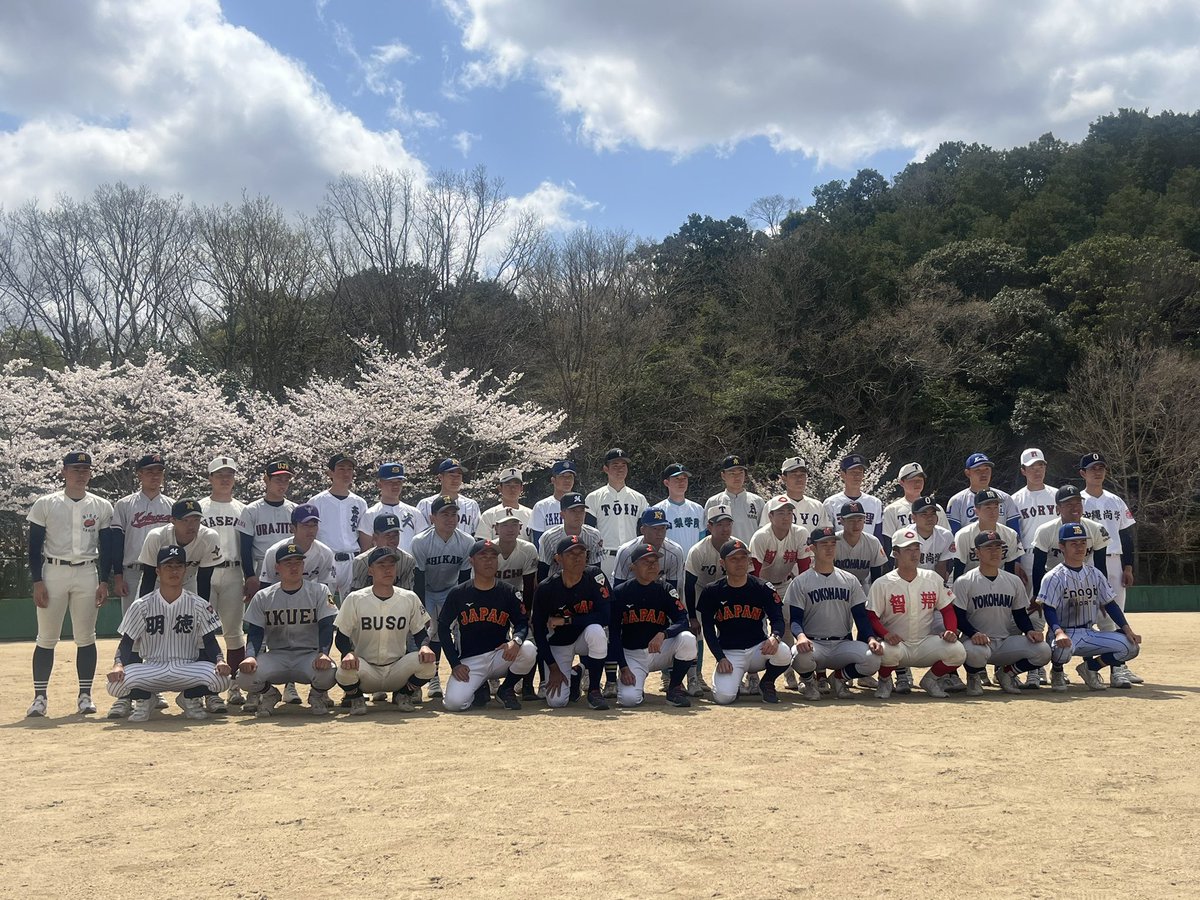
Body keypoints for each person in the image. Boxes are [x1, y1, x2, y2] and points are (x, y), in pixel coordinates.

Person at [25, 451, 116, 718]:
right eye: (75, 469)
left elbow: (107, 547)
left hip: (87, 572)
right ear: (64, 472)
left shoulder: (101, 506)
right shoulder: (45, 503)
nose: (80, 474)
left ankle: (85, 695)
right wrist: (37, 581)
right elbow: (33, 547)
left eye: (85, 469)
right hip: (53, 570)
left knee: (86, 636)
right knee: (47, 637)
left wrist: (104, 581)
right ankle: (39, 697)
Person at [105, 545, 231, 722]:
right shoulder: (141, 605)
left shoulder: (199, 604)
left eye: (178, 566)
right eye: (168, 566)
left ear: (185, 569)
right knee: (114, 685)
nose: (174, 570)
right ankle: (147, 699)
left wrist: (220, 660)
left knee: (222, 680)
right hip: (152, 668)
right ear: (158, 571)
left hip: (186, 667)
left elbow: (210, 641)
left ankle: (188, 697)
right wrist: (118, 664)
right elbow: (127, 642)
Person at [106, 452, 174, 718]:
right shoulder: (124, 505)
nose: (154, 475)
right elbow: (115, 543)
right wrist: (118, 576)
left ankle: (152, 688)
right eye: (149, 471)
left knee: (160, 632)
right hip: (133, 572)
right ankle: (126, 693)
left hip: (164, 575)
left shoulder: (171, 505)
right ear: (139, 475)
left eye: (158, 471)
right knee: (132, 633)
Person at [237, 542, 339, 716]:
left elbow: (326, 627)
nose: (294, 567)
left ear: (303, 565)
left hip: (309, 655)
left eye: (298, 562)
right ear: (277, 567)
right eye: (288, 563)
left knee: (329, 672)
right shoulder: (264, 596)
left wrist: (323, 653)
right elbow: (255, 632)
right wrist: (250, 657)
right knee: (244, 677)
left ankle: (316, 695)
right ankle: (270, 694)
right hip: (277, 655)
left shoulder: (320, 591)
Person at [1039, 523, 1142, 692]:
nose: (1079, 547)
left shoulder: (1095, 573)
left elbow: (1110, 604)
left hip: (1089, 632)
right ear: (1061, 546)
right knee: (1062, 649)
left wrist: (1127, 629)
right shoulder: (1053, 576)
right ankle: (1057, 671)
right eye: (1074, 543)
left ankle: (1091, 667)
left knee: (1130, 647)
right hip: (1064, 632)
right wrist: (1057, 632)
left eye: (1082, 543)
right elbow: (1048, 608)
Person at [866, 528, 966, 699]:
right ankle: (884, 680)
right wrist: (885, 634)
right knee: (886, 652)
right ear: (895, 554)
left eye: (916, 549)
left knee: (957, 651)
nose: (914, 555)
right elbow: (872, 616)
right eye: (907, 550)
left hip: (924, 643)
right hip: (898, 644)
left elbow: (947, 609)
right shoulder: (883, 583)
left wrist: (951, 629)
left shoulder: (932, 577)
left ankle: (930, 680)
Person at [334, 547, 436, 714]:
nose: (388, 569)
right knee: (343, 672)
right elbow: (341, 636)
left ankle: (404, 694)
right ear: (370, 570)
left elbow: (420, 632)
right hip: (366, 670)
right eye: (381, 565)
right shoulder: (355, 599)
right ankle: (356, 697)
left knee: (428, 665)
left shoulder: (409, 597)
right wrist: (348, 652)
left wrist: (424, 646)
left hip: (397, 669)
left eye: (391, 565)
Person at [438, 539, 538, 711]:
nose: (489, 560)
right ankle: (479, 686)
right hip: (470, 662)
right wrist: (455, 664)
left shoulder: (509, 592)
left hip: (500, 655)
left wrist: (516, 641)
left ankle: (506, 689)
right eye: (483, 556)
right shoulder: (459, 593)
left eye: (493, 556)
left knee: (528, 649)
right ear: (471, 561)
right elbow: (443, 628)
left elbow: (522, 623)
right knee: (454, 704)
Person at [785, 526, 884, 700]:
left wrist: (870, 638)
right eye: (824, 544)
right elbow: (795, 620)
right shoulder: (801, 582)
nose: (829, 548)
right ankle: (809, 682)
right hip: (815, 645)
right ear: (812, 548)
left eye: (832, 543)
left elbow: (861, 616)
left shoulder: (849, 580)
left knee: (873, 659)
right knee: (799, 655)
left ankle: (838, 678)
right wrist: (800, 636)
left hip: (842, 644)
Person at [952, 532, 1052, 695]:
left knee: (1043, 650)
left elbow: (1020, 614)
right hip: (975, 642)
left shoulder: (1013, 580)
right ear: (977, 552)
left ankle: (1007, 673)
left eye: (998, 547)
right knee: (975, 652)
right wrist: (973, 633)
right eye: (988, 548)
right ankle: (974, 676)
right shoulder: (965, 581)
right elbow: (959, 618)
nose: (994, 551)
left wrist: (1029, 630)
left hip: (1004, 641)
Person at [697, 539, 791, 704]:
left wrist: (774, 637)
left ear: (749, 561)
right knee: (724, 698)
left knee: (783, 652)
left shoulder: (763, 587)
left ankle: (767, 682)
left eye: (743, 558)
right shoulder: (712, 591)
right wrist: (720, 658)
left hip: (758, 650)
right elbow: (708, 630)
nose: (739, 563)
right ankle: (734, 683)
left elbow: (777, 619)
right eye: (733, 559)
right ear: (722, 563)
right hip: (730, 653)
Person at [609, 544, 697, 708]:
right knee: (629, 700)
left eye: (655, 562)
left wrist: (664, 634)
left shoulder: (665, 589)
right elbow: (613, 633)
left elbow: (682, 620)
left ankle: (674, 688)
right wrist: (623, 667)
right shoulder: (621, 592)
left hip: (660, 650)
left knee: (688, 639)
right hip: (632, 655)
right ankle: (636, 686)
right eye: (646, 562)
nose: (652, 566)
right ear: (633, 567)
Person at [531, 535, 613, 710]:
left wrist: (567, 620)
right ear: (558, 559)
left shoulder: (596, 577)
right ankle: (576, 674)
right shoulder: (546, 588)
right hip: (559, 643)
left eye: (581, 553)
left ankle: (593, 690)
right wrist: (553, 668)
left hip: (585, 638)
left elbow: (606, 616)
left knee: (597, 632)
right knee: (557, 702)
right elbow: (538, 631)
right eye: (570, 554)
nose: (577, 558)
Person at [1079, 452, 1140, 684]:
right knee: (1093, 616)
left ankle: (1118, 666)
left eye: (1101, 467)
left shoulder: (1115, 500)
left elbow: (1126, 535)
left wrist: (1128, 567)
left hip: (1115, 560)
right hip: (1089, 561)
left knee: (1116, 616)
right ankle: (1101, 665)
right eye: (1093, 468)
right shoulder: (1079, 501)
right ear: (1083, 473)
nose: (1098, 471)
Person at [409, 495, 474, 699]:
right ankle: (429, 678)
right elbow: (418, 579)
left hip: (450, 590)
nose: (450, 518)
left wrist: (461, 606)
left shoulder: (466, 541)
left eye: (454, 514)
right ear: (432, 517)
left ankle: (465, 675)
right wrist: (423, 612)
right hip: (426, 590)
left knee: (461, 629)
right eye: (444, 514)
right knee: (428, 631)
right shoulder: (420, 541)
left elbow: (464, 579)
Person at [200, 455, 249, 708]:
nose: (225, 479)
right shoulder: (200, 507)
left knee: (234, 632)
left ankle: (235, 686)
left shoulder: (243, 509)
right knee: (203, 631)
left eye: (229, 474)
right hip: (204, 572)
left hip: (232, 571)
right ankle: (209, 687)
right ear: (210, 478)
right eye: (219, 475)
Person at [748, 495, 812, 689]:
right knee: (756, 626)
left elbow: (804, 568)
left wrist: (804, 595)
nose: (786, 516)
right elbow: (755, 573)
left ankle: (789, 671)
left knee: (786, 625)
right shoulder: (761, 536)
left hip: (785, 584)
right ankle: (752, 675)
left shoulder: (800, 533)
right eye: (781, 513)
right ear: (770, 516)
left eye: (789, 512)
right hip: (761, 585)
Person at [237, 459, 298, 602]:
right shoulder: (251, 510)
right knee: (263, 612)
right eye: (278, 479)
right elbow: (245, 548)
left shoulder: (294, 509)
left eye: (286, 480)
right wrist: (250, 576)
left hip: (290, 565)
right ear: (266, 480)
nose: (282, 484)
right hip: (263, 566)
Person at [136, 499, 222, 601]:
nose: (191, 525)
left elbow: (204, 578)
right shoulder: (157, 537)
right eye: (185, 520)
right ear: (173, 521)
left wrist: (203, 609)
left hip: (188, 581)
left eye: (196, 520)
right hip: (158, 582)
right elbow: (149, 577)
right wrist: (144, 607)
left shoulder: (209, 537)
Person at [307, 452, 366, 598]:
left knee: (353, 607)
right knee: (323, 605)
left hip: (352, 560)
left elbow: (363, 536)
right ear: (330, 472)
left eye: (349, 469)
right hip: (326, 560)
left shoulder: (359, 503)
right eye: (341, 469)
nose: (346, 473)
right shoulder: (316, 502)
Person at [586, 447, 648, 578]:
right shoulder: (594, 497)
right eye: (615, 465)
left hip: (632, 556)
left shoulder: (639, 498)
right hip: (604, 557)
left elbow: (644, 531)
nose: (620, 469)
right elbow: (588, 531)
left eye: (623, 465)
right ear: (606, 469)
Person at [259, 504, 337, 590]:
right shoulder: (274, 552)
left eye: (314, 525)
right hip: (279, 595)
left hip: (309, 596)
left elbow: (325, 587)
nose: (311, 530)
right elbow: (265, 585)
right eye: (305, 525)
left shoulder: (325, 553)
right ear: (292, 528)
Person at [950, 489, 1023, 581]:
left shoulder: (1010, 534)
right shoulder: (963, 535)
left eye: (996, 507)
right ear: (976, 511)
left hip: (999, 581)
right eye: (988, 507)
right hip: (969, 582)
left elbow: (1010, 568)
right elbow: (958, 569)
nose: (993, 512)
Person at [613, 507, 686, 594]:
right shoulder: (626, 551)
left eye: (663, 528)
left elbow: (674, 588)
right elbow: (618, 586)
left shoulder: (675, 552)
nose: (659, 533)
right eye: (654, 528)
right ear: (642, 530)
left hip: (659, 595)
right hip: (631, 595)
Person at [1011, 448, 1058, 584]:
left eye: (1041, 466)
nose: (1037, 471)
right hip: (1028, 555)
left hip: (1055, 554)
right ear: (1023, 470)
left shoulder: (1057, 495)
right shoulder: (1015, 500)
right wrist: (1016, 562)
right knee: (1030, 602)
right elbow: (1014, 535)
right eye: (1032, 467)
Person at [358, 462, 427, 554]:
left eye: (399, 482)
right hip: (382, 565)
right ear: (379, 484)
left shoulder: (415, 513)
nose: (395, 486)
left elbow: (423, 545)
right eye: (390, 482)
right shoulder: (370, 514)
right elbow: (365, 550)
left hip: (409, 566)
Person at [946, 453, 1021, 534]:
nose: (983, 474)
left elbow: (1015, 533)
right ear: (968, 473)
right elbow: (954, 535)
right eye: (978, 470)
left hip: (1000, 545)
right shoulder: (957, 501)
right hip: (969, 545)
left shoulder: (1005, 498)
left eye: (987, 469)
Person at [537, 492, 604, 579]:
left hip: (584, 583)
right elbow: (543, 571)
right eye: (573, 511)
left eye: (581, 510)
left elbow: (596, 569)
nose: (578, 515)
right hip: (556, 584)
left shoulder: (594, 535)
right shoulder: (549, 537)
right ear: (562, 515)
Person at [704, 454, 766, 543]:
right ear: (723, 475)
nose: (737, 477)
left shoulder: (757, 501)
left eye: (740, 472)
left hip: (750, 553)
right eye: (732, 473)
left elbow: (763, 532)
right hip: (723, 554)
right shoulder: (714, 502)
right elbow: (708, 532)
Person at [823, 454, 883, 542]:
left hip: (869, 552)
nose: (857, 476)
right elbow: (827, 535)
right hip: (841, 552)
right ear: (843, 474)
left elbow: (878, 535)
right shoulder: (831, 503)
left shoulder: (875, 502)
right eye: (852, 472)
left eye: (860, 472)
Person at [349, 513, 417, 592]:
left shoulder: (407, 561)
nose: (392, 540)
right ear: (375, 537)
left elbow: (406, 594)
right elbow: (356, 595)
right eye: (387, 535)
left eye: (395, 535)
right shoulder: (361, 562)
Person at [881, 462, 950, 538]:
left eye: (920, 480)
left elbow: (945, 537)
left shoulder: (936, 508)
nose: (917, 483)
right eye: (912, 480)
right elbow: (889, 540)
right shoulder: (892, 510)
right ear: (901, 482)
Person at [417, 458, 481, 536]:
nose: (455, 480)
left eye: (458, 476)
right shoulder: (425, 504)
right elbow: (419, 534)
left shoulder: (471, 505)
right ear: (440, 477)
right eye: (451, 476)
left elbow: (478, 534)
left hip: (465, 547)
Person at [652, 463, 706, 552]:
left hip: (693, 563)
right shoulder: (658, 510)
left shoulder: (698, 509)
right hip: (668, 562)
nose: (681, 482)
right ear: (666, 482)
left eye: (684, 478)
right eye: (677, 478)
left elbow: (702, 539)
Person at [834, 501, 887, 589]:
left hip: (862, 584)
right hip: (836, 586)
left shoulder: (872, 541)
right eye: (851, 521)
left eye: (860, 520)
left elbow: (876, 574)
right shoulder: (833, 541)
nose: (856, 525)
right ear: (842, 521)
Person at [528, 460, 577, 549]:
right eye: (562, 476)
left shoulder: (580, 506)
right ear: (553, 480)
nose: (567, 480)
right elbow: (537, 540)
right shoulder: (542, 506)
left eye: (570, 477)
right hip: (549, 557)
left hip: (575, 556)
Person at [477, 467, 533, 540]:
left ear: (521, 488)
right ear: (500, 488)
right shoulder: (489, 515)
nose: (512, 489)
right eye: (508, 485)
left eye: (516, 485)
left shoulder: (531, 514)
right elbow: (483, 544)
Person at [910, 496, 954, 581]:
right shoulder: (904, 535)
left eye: (933, 514)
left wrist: (939, 587)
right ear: (913, 518)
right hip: (909, 582)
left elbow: (942, 567)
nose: (929, 518)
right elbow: (900, 567)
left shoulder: (945, 535)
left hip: (933, 582)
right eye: (924, 514)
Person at [778, 457, 828, 529]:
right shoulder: (773, 505)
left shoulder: (817, 506)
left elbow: (826, 533)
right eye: (794, 475)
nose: (799, 479)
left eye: (802, 475)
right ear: (784, 478)